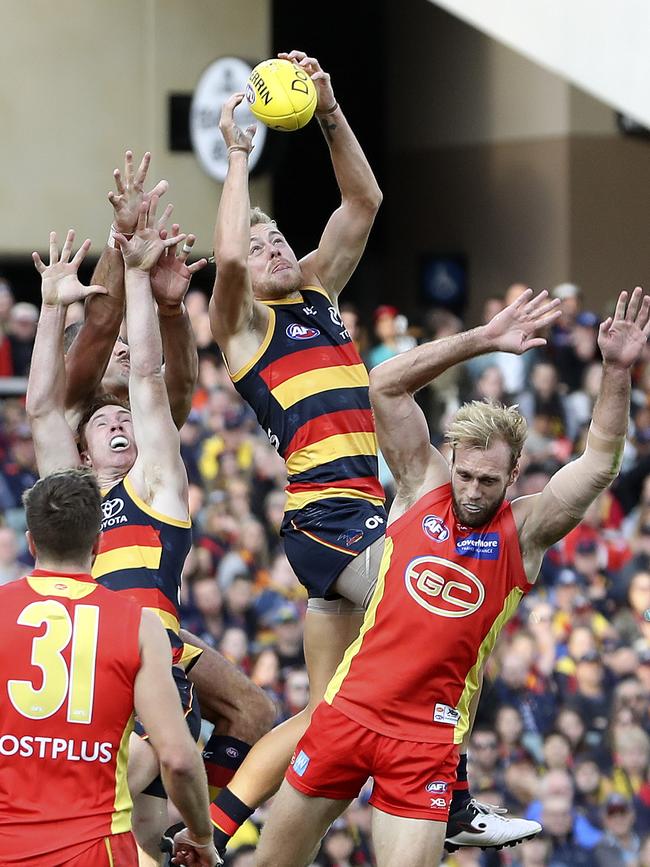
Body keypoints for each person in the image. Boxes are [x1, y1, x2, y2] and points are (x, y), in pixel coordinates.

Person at [204, 53, 555, 855]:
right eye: (262, 250)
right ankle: (454, 795)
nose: (273, 251)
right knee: (441, 595)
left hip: (366, 517)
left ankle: (216, 832)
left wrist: (328, 109)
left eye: (279, 237)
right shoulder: (246, 329)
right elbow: (226, 260)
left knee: (329, 709)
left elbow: (364, 200)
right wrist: (234, 158)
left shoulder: (318, 292)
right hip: (329, 521)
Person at [253, 285, 650, 866]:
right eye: (465, 474)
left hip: (425, 741)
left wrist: (617, 371)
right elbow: (384, 383)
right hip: (348, 711)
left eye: (488, 481)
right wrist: (484, 339)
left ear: (514, 473)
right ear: (451, 458)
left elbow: (597, 463)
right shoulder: (423, 488)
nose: (471, 490)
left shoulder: (528, 530)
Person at [62, 151, 275, 800]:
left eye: (136, 335)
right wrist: (122, 244)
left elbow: (174, 384)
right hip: (88, 618)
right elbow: (99, 324)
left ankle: (188, 828)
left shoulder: (144, 425)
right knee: (134, 761)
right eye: (117, 342)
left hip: (153, 619)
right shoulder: (77, 407)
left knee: (254, 713)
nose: (125, 344)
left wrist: (174, 310)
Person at [25, 215, 215, 860]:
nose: (117, 423)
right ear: (80, 452)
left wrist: (138, 277)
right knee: (124, 833)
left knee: (124, 825)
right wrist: (51, 309)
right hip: (86, 683)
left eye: (124, 421)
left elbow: (149, 381)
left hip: (147, 677)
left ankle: (211, 830)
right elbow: (44, 408)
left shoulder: (156, 487)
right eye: (103, 420)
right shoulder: (70, 500)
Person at [0, 468, 217, 867]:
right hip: (96, 850)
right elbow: (178, 759)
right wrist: (201, 835)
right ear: (97, 544)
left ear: (31, 543)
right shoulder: (138, 624)